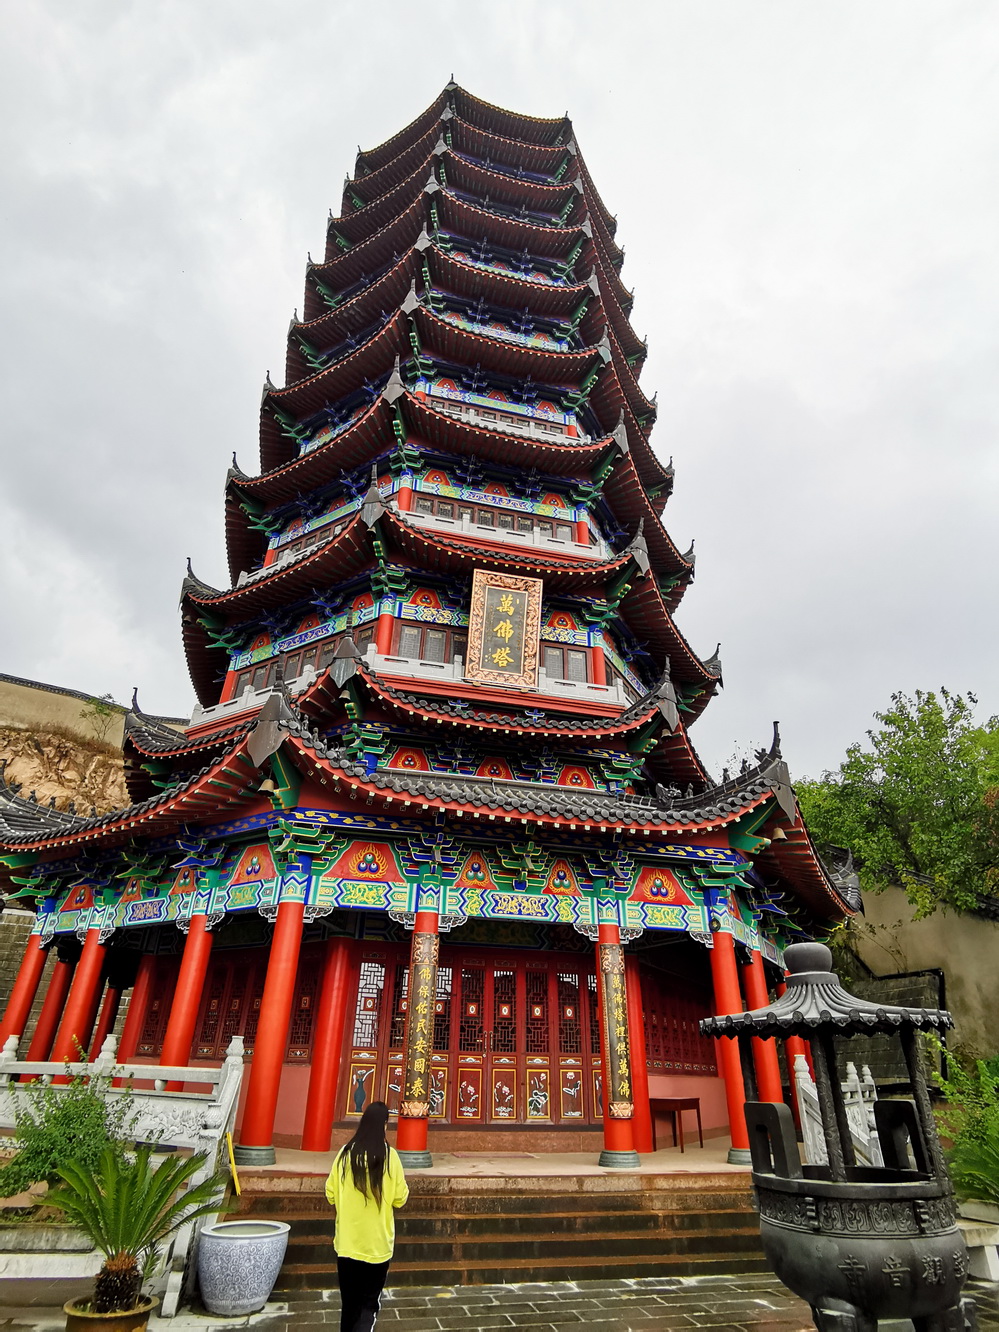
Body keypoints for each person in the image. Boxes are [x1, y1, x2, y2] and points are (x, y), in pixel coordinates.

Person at [325, 1101, 409, 1332]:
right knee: (369, 1304)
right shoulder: (390, 1157)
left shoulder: (344, 1154)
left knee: (349, 1304)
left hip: (348, 1243)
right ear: (384, 1125)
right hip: (377, 1244)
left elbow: (330, 1193)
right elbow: (400, 1198)